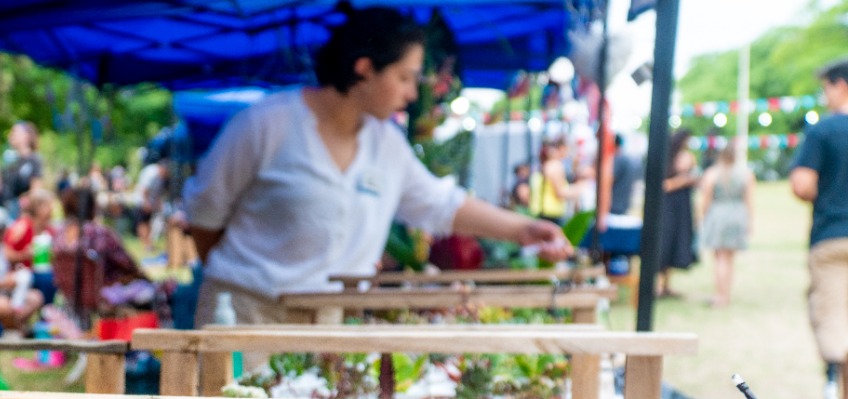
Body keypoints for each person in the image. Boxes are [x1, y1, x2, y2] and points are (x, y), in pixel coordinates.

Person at [184, 6, 570, 326]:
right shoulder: (264, 125)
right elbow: (203, 217)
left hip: (327, 324)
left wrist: (525, 229)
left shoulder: (386, 144)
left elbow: (440, 204)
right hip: (244, 317)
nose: (411, 92)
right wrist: (247, 280)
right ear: (365, 68)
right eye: (404, 77)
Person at [791, 57, 848, 399]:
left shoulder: (824, 131)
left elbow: (802, 184)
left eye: (826, 87)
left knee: (835, 329)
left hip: (833, 239)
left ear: (840, 85)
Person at [51, 182, 147, 316]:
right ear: (92, 206)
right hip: (101, 296)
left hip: (70, 297)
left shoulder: (58, 234)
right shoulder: (100, 232)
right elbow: (129, 264)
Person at [699, 140, 754, 308]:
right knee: (729, 258)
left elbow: (706, 199)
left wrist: (702, 218)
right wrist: (750, 222)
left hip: (718, 216)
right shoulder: (746, 174)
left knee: (720, 258)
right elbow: (749, 201)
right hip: (737, 215)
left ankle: (720, 296)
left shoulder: (712, 174)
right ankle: (725, 295)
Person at [657, 130, 699, 298]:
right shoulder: (665, 160)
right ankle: (659, 285)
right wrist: (681, 180)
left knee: (676, 244)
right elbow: (664, 186)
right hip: (668, 208)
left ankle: (667, 284)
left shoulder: (683, 157)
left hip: (681, 207)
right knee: (665, 244)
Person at [531, 140, 581, 225]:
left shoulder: (544, 165)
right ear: (561, 149)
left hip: (541, 212)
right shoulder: (555, 166)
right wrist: (580, 188)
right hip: (552, 213)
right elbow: (560, 192)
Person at [2, 121, 43, 216]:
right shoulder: (12, 160)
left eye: (14, 132)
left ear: (27, 136)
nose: (11, 135)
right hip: (6, 207)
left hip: (20, 211)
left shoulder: (34, 159)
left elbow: (36, 189)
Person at [609, 134, 640, 216]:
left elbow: (609, 179)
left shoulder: (618, 159)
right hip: (623, 204)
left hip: (614, 205)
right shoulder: (626, 158)